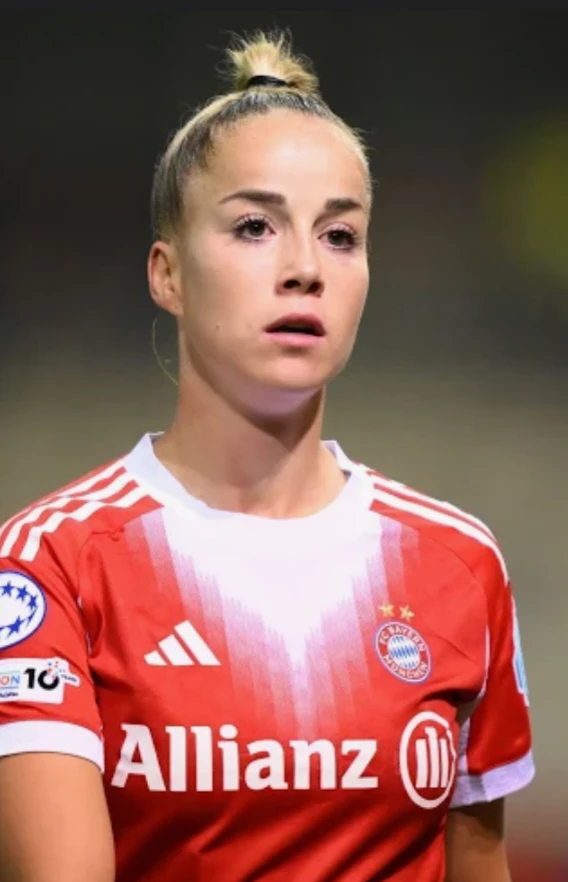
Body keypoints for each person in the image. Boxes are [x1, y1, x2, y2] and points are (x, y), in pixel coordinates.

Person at [0, 30, 534, 882]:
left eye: (340, 235)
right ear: (167, 274)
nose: (304, 268)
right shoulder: (51, 564)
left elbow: (479, 861)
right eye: (255, 226)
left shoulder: (460, 563)